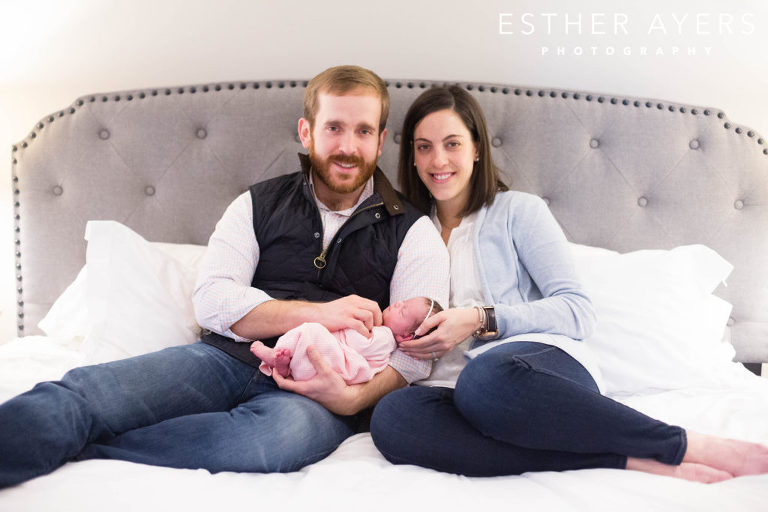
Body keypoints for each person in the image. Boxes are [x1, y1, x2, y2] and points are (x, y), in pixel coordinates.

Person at [0, 65, 449, 489]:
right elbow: (213, 301)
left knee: (265, 442)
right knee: (86, 393)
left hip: (315, 394)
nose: (348, 146)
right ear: (307, 131)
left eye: (363, 131)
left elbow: (416, 353)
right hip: (220, 360)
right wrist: (320, 314)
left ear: (380, 139)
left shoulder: (415, 231)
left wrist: (352, 401)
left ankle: (91, 453)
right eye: (334, 127)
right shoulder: (257, 204)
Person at [369, 85, 768, 483]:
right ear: (413, 158)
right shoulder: (403, 232)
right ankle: (621, 460)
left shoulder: (517, 212)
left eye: (452, 143)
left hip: (527, 371)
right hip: (445, 390)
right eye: (424, 147)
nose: (438, 160)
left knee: (484, 381)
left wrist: (480, 319)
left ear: (476, 148)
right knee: (390, 419)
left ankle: (679, 444)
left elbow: (578, 311)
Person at [251, 297, 442, 384]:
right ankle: (284, 367)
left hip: (335, 361)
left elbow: (360, 344)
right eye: (403, 301)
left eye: (403, 311)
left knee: (312, 330)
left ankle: (275, 354)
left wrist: (354, 326)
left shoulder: (385, 337)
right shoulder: (381, 332)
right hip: (320, 364)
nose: (398, 303)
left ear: (406, 336)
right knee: (310, 337)